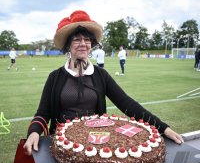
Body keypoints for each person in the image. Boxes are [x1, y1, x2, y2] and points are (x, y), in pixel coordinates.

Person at [23, 10, 184, 155]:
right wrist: (34, 132)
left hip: (95, 146)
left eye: (87, 40)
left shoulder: (101, 75)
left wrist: (163, 128)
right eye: (77, 40)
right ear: (67, 46)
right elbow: (43, 113)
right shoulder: (55, 77)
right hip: (61, 146)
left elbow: (127, 104)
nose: (83, 44)